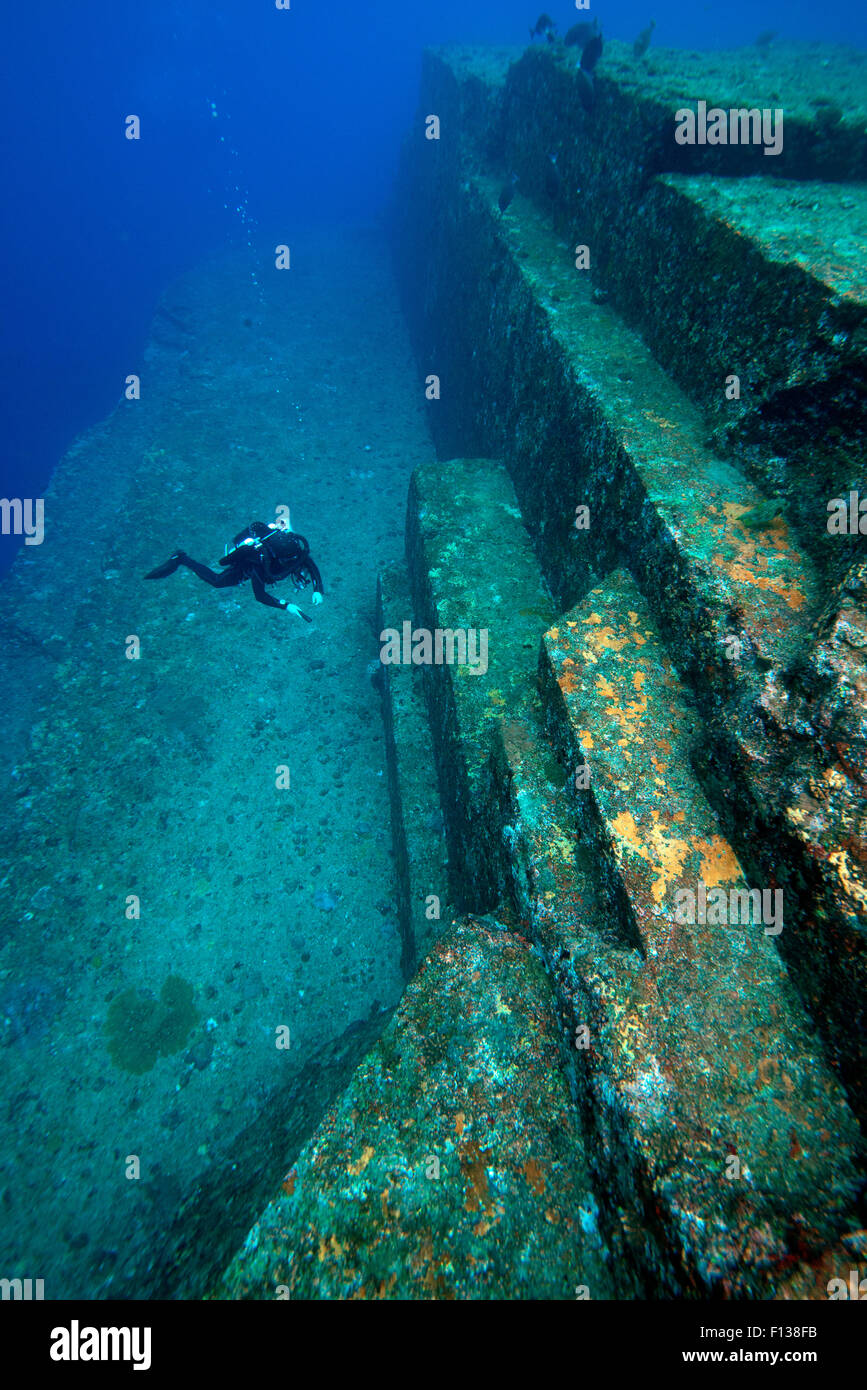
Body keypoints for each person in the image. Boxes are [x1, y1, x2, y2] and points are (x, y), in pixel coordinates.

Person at [144, 521, 323, 620]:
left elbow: (311, 566)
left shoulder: (296, 552)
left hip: (268, 558)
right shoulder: (261, 565)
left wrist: (318, 590)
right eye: (289, 560)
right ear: (278, 558)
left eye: (295, 558)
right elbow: (260, 596)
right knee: (217, 582)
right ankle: (181, 558)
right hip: (246, 565)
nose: (295, 562)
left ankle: (181, 558)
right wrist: (287, 606)